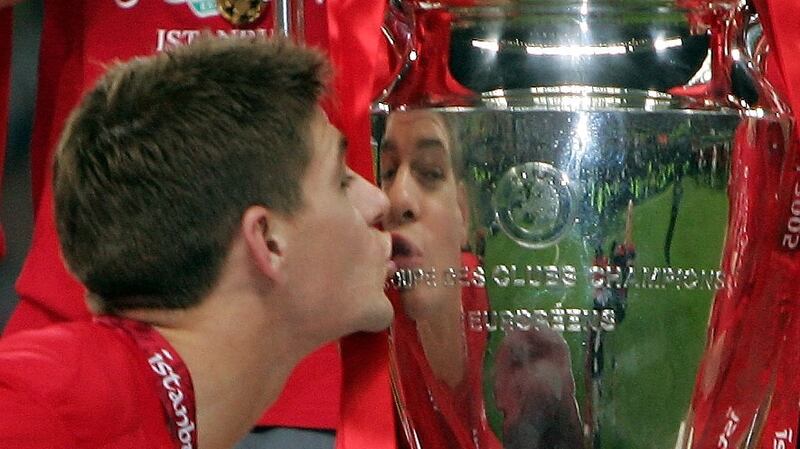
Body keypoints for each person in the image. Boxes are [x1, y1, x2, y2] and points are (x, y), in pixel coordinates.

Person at [0, 2, 392, 448]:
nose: (381, 201)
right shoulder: (35, 414)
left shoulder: (129, 403)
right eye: (341, 181)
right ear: (267, 241)